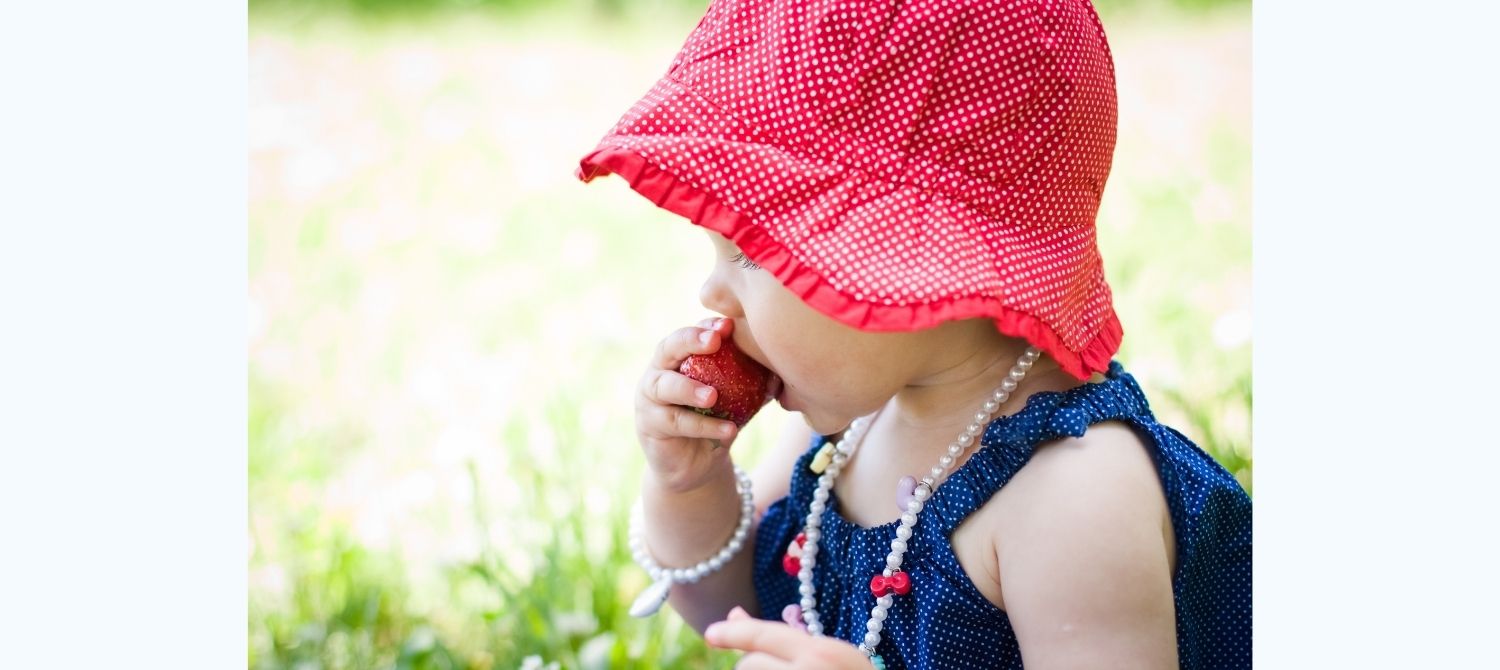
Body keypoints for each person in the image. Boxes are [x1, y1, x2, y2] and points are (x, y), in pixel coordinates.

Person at [574, 0, 1251, 668]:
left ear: (920, 260)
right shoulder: (844, 425)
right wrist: (689, 488)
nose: (711, 293)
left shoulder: (1072, 493)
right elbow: (737, 611)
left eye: (752, 252)